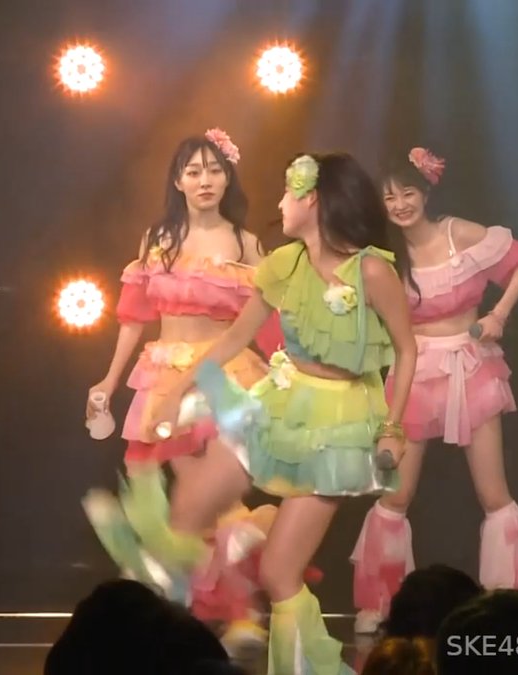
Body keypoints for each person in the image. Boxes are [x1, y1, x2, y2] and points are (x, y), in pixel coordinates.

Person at [146, 152, 419, 674]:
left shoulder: (371, 270)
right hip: (280, 400)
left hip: (338, 423)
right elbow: (234, 338)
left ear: (313, 200)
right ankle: (200, 593)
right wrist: (177, 388)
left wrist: (392, 427)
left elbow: (407, 349)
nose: (279, 204)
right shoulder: (284, 265)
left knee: (279, 574)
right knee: (191, 507)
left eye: (287, 193)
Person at [350, 147, 518, 633]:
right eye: (389, 198)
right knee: (397, 493)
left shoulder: (457, 232)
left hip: (471, 366)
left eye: (407, 193)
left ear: (426, 192)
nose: (399, 205)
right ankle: (379, 602)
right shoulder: (385, 255)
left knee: (493, 491)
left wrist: (499, 315)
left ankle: (508, 605)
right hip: (415, 370)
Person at [81, 130, 270, 617]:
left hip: (224, 375)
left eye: (214, 170)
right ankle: (202, 602)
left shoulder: (246, 242)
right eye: (194, 171)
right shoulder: (158, 239)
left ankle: (226, 609)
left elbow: (268, 321)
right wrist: (108, 380)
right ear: (178, 181)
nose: (205, 180)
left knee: (211, 498)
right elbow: (133, 317)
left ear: (228, 178)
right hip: (164, 372)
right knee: (180, 496)